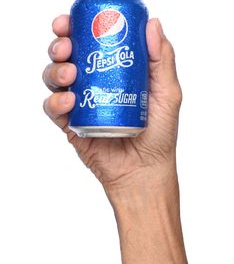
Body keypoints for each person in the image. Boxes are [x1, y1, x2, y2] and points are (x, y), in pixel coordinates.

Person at [42, 15, 188, 264]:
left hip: (134, 125)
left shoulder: (131, 9)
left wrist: (147, 174)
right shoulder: (88, 9)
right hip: (98, 116)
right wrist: (137, 184)